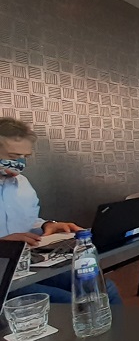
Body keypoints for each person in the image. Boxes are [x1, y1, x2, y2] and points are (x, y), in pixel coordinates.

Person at [0, 118, 122, 304]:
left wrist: (47, 225)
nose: (20, 163)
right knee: (75, 302)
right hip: (4, 277)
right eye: (13, 156)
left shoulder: (22, 184)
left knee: (105, 289)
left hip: (27, 266)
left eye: (25, 157)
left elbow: (27, 221)